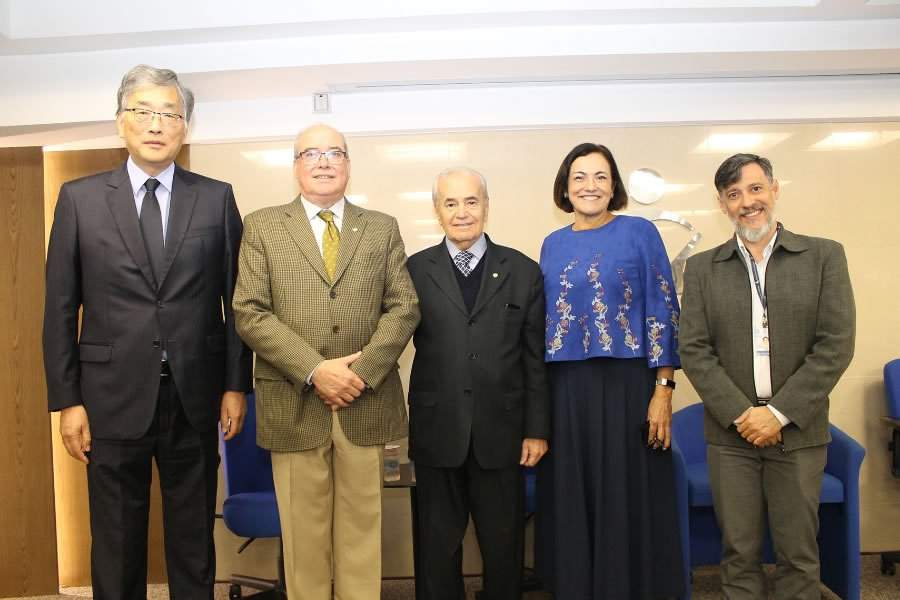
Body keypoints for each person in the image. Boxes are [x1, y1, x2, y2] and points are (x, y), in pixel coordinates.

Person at [42, 64, 252, 600]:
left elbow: (239, 303)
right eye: (143, 112)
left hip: (195, 396)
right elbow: (61, 309)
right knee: (114, 540)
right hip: (108, 398)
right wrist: (68, 401)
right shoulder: (79, 199)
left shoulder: (215, 198)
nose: (156, 124)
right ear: (121, 123)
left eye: (169, 114)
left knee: (193, 541)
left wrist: (234, 385)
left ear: (185, 127)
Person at [232, 123, 420, 600]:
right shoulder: (262, 225)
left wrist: (359, 373)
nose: (323, 161)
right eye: (310, 153)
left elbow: (404, 307)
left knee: (362, 533)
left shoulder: (382, 227)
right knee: (303, 537)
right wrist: (317, 370)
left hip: (364, 401)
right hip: (293, 402)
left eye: (334, 152)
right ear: (295, 166)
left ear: (348, 165)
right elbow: (249, 311)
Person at [679, 153, 855, 600]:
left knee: (798, 552)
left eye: (755, 189)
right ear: (722, 204)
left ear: (774, 191)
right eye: (734, 194)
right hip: (730, 433)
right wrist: (744, 415)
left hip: (798, 430)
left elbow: (835, 345)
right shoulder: (703, 268)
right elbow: (694, 350)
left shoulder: (823, 256)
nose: (747, 202)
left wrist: (777, 414)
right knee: (738, 550)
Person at [536, 143, 684, 599]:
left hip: (628, 383)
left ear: (614, 186)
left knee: (627, 493)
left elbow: (663, 307)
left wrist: (663, 388)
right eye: (579, 177)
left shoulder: (639, 232)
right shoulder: (552, 244)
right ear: (565, 186)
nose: (590, 186)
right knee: (573, 494)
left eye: (601, 177)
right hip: (565, 387)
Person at [406, 167, 550, 600]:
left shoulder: (522, 270)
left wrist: (537, 428)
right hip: (437, 431)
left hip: (503, 433)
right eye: (451, 203)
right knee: (436, 547)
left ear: (486, 206)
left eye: (471, 202)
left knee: (504, 546)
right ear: (437, 211)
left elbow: (534, 358)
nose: (462, 212)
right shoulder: (413, 270)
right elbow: (388, 338)